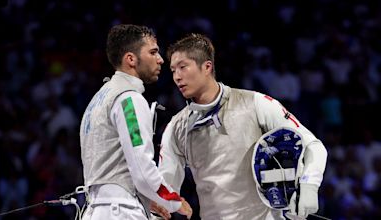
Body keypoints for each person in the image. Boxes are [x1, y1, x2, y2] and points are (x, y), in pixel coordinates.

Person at [158, 33, 328, 219]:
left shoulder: (255, 103)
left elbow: (313, 146)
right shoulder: (177, 127)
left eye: (183, 67)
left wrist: (309, 186)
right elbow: (164, 188)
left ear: (207, 67)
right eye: (173, 70)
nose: (177, 77)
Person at [79, 24, 192, 220]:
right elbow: (141, 168)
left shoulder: (98, 99)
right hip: (121, 212)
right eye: (153, 52)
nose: (160, 60)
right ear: (131, 59)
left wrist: (149, 200)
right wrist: (173, 201)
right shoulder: (129, 99)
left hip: (97, 211)